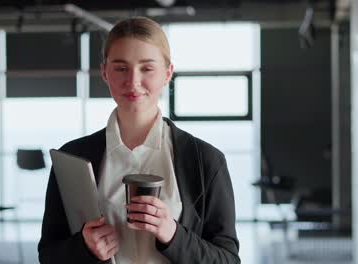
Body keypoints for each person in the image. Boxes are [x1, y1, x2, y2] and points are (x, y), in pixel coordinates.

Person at [38, 16, 240, 263]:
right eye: (121, 68)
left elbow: (228, 260)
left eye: (147, 68)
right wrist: (85, 249)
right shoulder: (72, 158)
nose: (133, 81)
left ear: (167, 73)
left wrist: (173, 234)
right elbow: (48, 256)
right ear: (104, 72)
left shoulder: (206, 160)